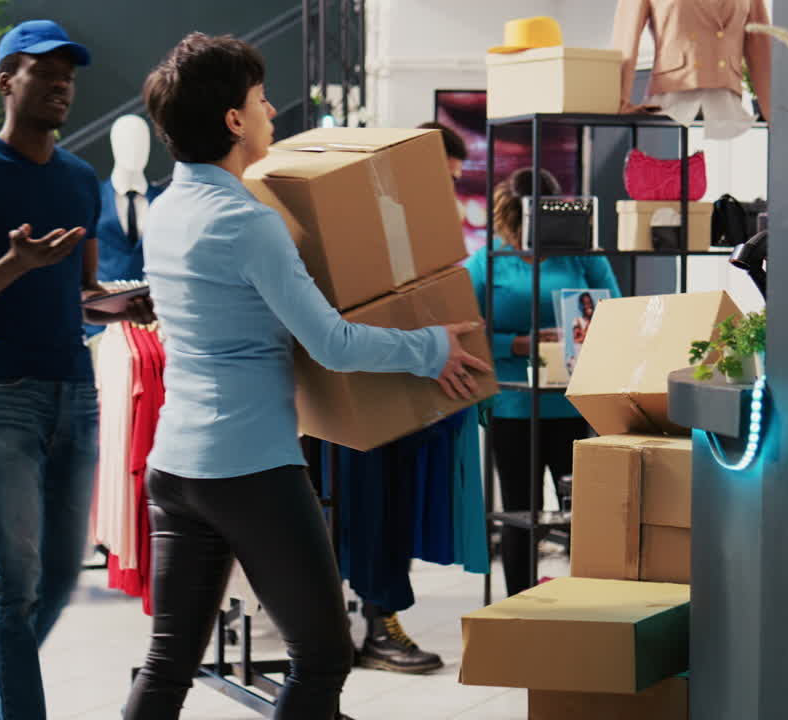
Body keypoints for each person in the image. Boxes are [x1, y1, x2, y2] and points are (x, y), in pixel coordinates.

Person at [124, 33, 490, 719]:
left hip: (175, 467)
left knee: (169, 663)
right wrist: (430, 349)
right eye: (261, 102)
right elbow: (332, 343)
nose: (270, 114)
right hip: (251, 470)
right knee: (322, 655)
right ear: (233, 121)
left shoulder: (168, 208)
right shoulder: (246, 222)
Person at [0, 20, 151, 720]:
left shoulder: (80, 180)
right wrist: (12, 265)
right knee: (13, 586)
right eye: (44, 72)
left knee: (57, 581)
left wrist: (128, 304)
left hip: (75, 395)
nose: (61, 85)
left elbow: (81, 294)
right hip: (4, 395)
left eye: (69, 75)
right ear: (5, 80)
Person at [343, 120, 474, 676]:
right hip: (365, 385)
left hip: (406, 384)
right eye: (445, 178)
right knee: (371, 509)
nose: (451, 191)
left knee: (391, 508)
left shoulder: (426, 228)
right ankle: (373, 625)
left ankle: (377, 619)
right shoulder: (368, 221)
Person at [464, 167, 620, 598]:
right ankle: (520, 611)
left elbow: (618, 312)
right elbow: (463, 333)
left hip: (572, 404)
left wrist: (580, 331)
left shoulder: (582, 255)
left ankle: (584, 608)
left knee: (584, 520)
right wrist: (516, 344)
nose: (526, 240)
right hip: (513, 408)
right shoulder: (487, 260)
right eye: (517, 230)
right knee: (519, 516)